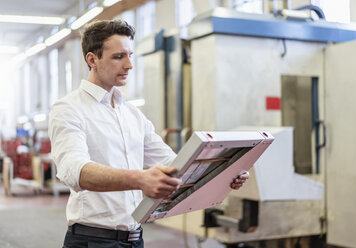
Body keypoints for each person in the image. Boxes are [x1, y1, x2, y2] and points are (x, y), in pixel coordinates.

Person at [48, 19, 249, 248]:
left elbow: (174, 165)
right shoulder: (69, 109)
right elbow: (75, 171)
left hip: (135, 239)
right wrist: (140, 179)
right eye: (118, 57)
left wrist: (223, 174)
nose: (129, 65)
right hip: (92, 241)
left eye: (130, 55)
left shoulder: (132, 114)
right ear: (92, 59)